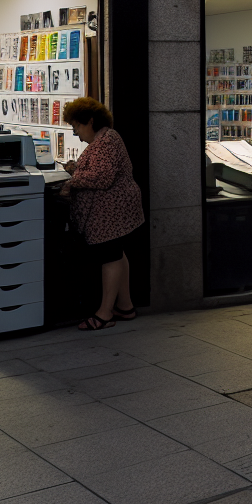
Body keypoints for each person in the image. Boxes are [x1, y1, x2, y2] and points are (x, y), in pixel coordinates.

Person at [61, 98, 146, 330]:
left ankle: (105, 313)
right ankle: (125, 306)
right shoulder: (105, 138)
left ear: (90, 121)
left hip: (111, 210)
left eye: (76, 126)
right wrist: (75, 168)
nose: (76, 133)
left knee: (110, 256)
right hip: (114, 209)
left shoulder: (106, 140)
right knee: (117, 254)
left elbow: (102, 177)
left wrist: (72, 182)